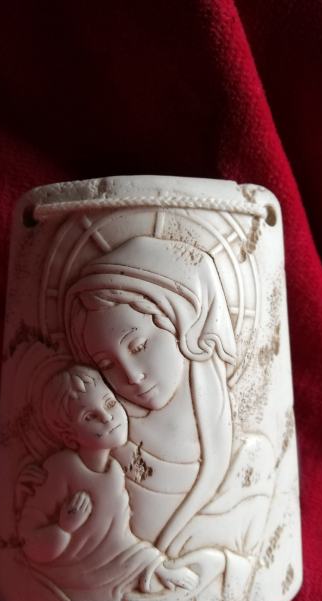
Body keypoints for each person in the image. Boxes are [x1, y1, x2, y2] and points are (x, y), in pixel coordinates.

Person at [64, 236, 274, 565]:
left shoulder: (251, 460)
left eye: (138, 346)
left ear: (180, 326)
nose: (131, 375)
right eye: (106, 364)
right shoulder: (106, 449)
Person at [15, 351, 199, 601]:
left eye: (110, 403)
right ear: (69, 436)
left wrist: (159, 567)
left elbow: (118, 542)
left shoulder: (113, 473)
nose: (108, 418)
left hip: (108, 574)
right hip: (70, 579)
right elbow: (29, 538)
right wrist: (63, 528)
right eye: (90, 416)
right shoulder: (59, 470)